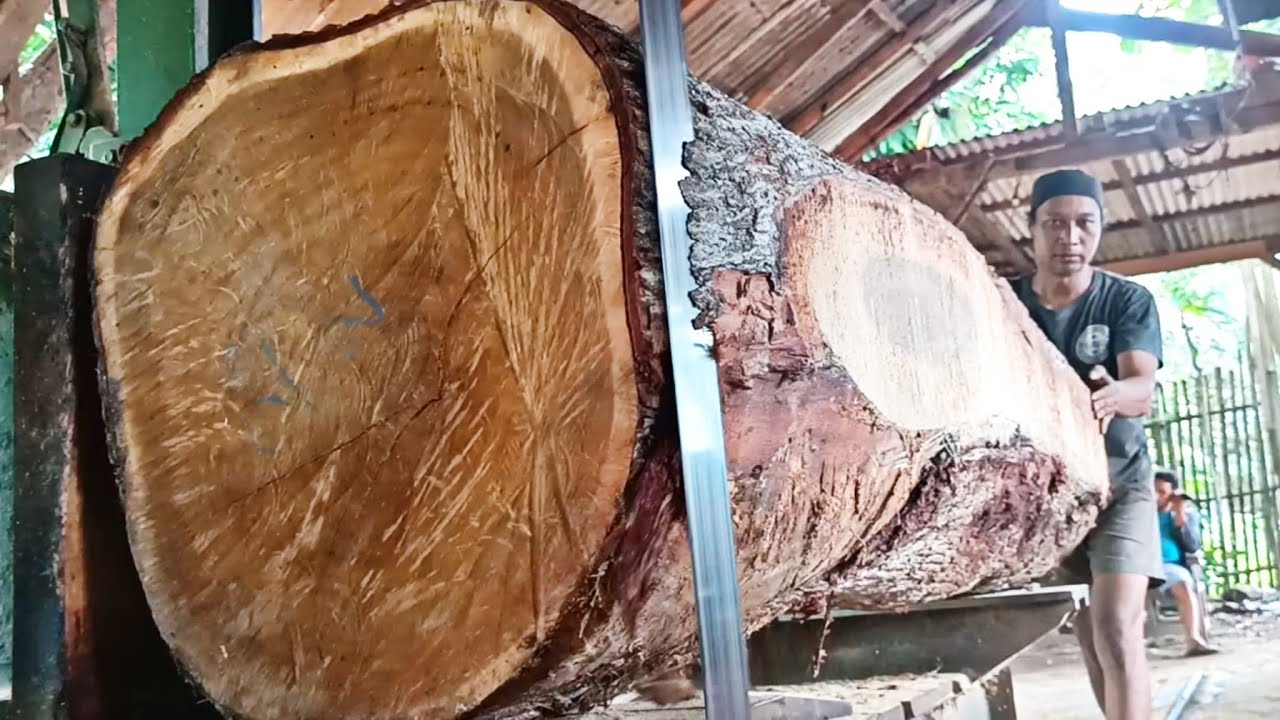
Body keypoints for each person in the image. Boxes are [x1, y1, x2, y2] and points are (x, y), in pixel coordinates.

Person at [1009, 168, 1164, 720]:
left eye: (1083, 224)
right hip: (1049, 491)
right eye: (1054, 223)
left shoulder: (1127, 300)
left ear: (1100, 229)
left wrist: (1112, 395)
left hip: (1120, 480)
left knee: (1117, 626)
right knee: (1090, 639)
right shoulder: (1005, 302)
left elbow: (1142, 388)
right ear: (1031, 228)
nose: (1069, 238)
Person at [1153, 467, 1217, 656]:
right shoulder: (1140, 514)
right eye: (1153, 491)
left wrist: (1180, 516)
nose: (1156, 497)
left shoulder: (1184, 516)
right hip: (1143, 564)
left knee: (1183, 586)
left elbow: (1192, 545)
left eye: (1162, 492)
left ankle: (1193, 639)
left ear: (1172, 494)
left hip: (1170, 567)